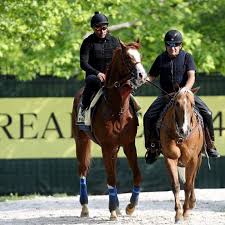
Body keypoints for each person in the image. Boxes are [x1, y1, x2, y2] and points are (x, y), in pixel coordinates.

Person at [144, 29, 220, 164]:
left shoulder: (187, 57)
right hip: (166, 96)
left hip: (185, 95)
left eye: (176, 45)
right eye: (169, 45)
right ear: (166, 45)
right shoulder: (161, 58)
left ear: (181, 45)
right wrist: (145, 78)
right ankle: (152, 148)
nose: (173, 48)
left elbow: (192, 77)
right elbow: (152, 75)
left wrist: (185, 89)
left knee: (207, 113)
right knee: (148, 116)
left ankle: (210, 144)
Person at [79, 12, 120, 114]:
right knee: (91, 81)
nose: (101, 31)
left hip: (112, 78)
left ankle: (134, 111)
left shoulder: (115, 41)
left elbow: (120, 61)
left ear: (107, 27)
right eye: (98, 28)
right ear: (93, 28)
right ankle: (83, 109)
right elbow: (83, 63)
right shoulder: (87, 42)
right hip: (94, 77)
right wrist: (98, 73)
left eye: (104, 28)